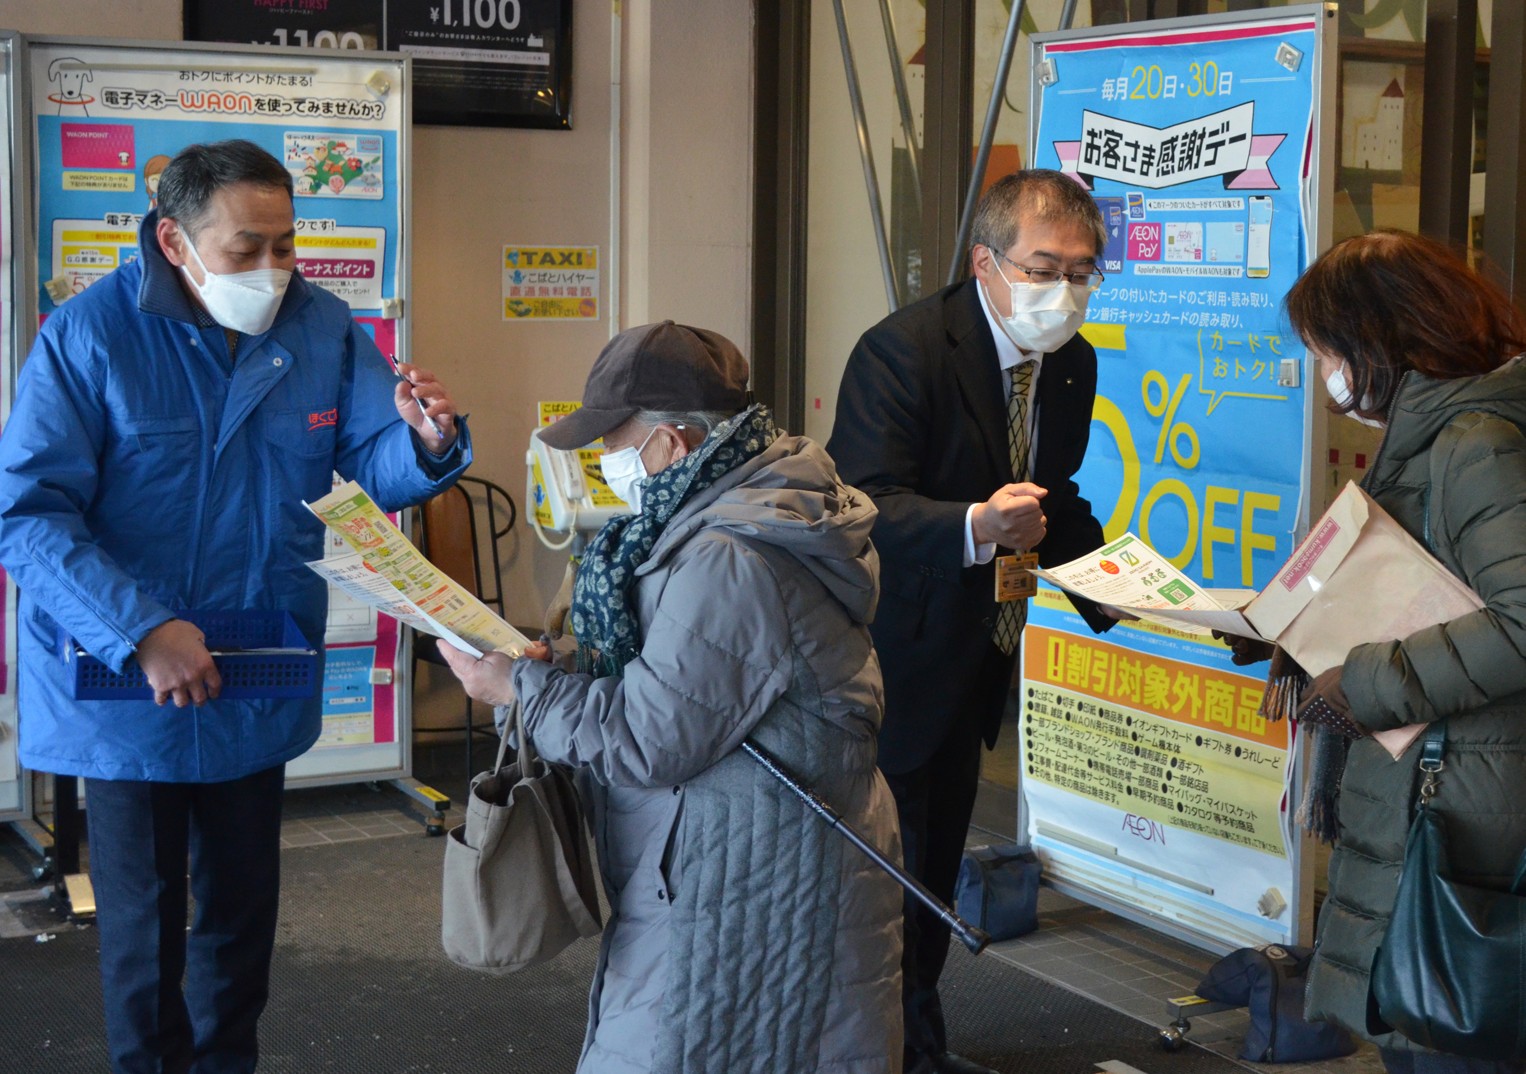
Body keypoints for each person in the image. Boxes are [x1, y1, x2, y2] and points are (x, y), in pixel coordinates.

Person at [0, 139, 471, 1074]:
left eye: (285, 244)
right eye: (245, 247)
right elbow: (29, 514)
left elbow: (368, 464)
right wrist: (142, 631)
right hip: (128, 673)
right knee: (143, 923)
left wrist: (425, 442)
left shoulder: (322, 326)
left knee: (242, 913)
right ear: (173, 240)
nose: (272, 268)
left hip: (255, 654)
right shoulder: (91, 334)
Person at [438, 320, 903, 1074]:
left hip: (745, 874)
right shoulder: (736, 510)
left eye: (615, 443)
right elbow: (687, 676)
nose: (606, 462)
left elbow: (650, 739)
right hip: (746, 854)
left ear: (673, 442)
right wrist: (555, 668)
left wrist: (520, 688)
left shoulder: (729, 553)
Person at [827, 169, 1116, 1074]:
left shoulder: (1071, 361)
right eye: (1045, 268)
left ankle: (910, 1040)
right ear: (987, 263)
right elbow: (858, 506)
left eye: (1083, 272)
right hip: (898, 656)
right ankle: (892, 1049)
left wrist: (1121, 585)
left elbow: (1053, 496)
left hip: (982, 651)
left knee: (935, 865)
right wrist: (974, 527)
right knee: (889, 875)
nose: (1065, 291)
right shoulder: (903, 351)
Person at [1258, 229, 1526, 1074]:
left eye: (1328, 351)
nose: (1326, 375)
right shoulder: (1443, 432)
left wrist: (1366, 680)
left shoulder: (1475, 441)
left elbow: (1522, 623)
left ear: (1380, 340)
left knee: (1449, 1035)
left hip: (1468, 803)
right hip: (1454, 786)